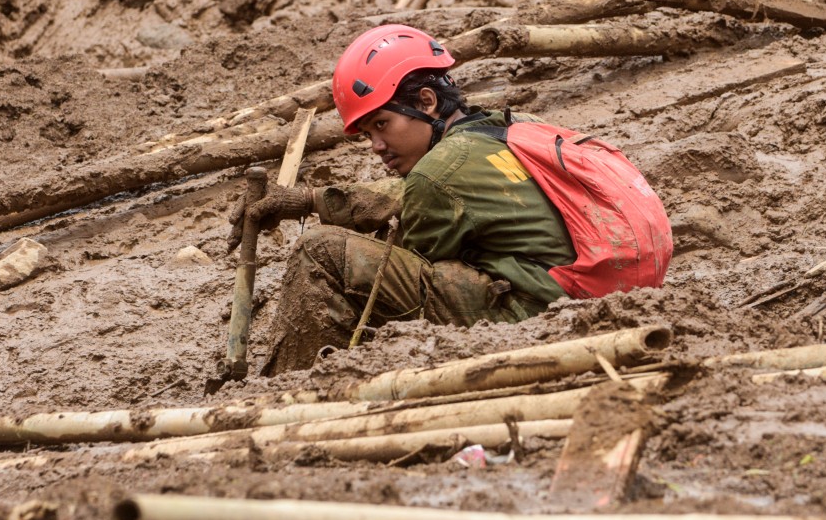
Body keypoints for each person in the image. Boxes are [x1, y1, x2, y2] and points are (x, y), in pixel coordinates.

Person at [231, 23, 669, 375]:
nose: (376, 146)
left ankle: (289, 383)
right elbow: (416, 193)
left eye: (382, 125)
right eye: (367, 135)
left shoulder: (436, 176)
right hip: (606, 290)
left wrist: (331, 226)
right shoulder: (506, 129)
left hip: (542, 315)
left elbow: (409, 245)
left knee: (320, 252)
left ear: (426, 101)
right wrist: (308, 200)